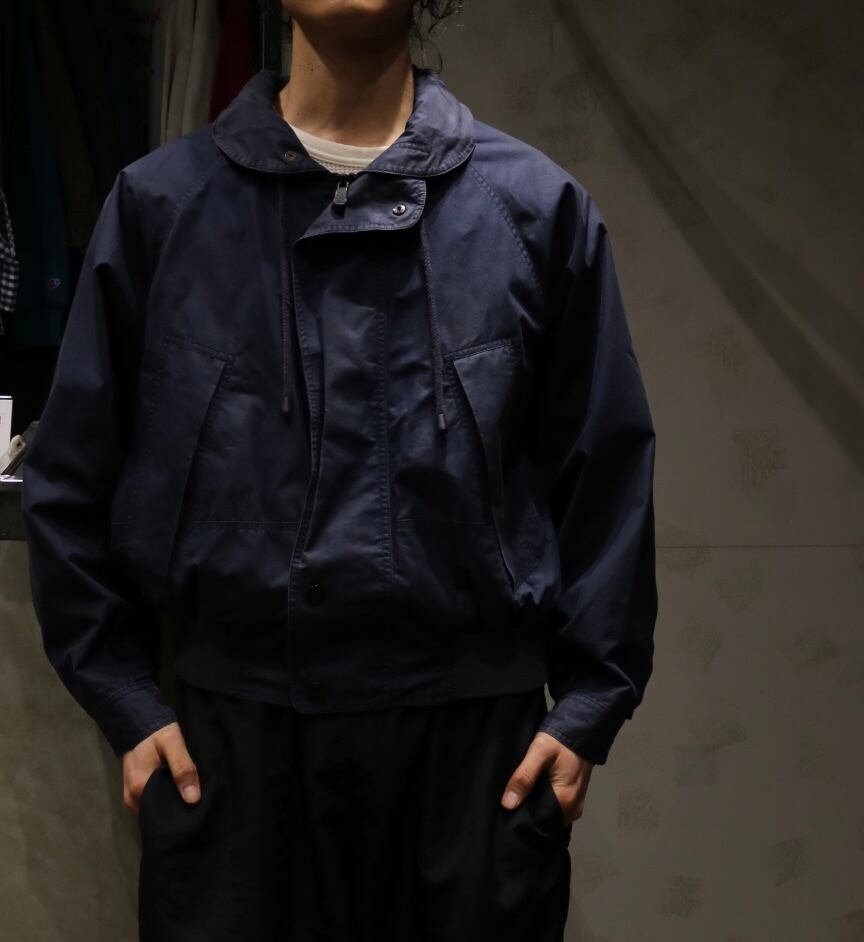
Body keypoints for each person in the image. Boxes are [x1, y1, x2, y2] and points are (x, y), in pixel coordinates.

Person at [20, 1, 658, 939]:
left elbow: (605, 478)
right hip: (234, 760)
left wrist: (588, 708)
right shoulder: (162, 209)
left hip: (471, 764)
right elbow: (71, 477)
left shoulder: (533, 212)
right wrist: (124, 696)